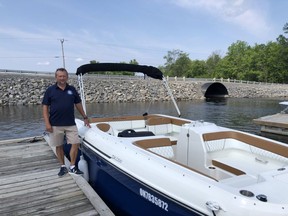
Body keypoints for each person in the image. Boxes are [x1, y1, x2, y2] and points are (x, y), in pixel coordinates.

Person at [42, 68, 90, 177]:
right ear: (56, 77)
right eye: (60, 76)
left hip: (70, 123)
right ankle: (63, 166)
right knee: (58, 146)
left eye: (64, 76)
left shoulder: (72, 89)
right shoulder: (50, 90)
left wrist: (85, 117)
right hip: (54, 124)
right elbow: (45, 108)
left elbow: (78, 104)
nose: (62, 78)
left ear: (67, 77)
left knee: (75, 143)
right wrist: (47, 123)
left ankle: (72, 166)